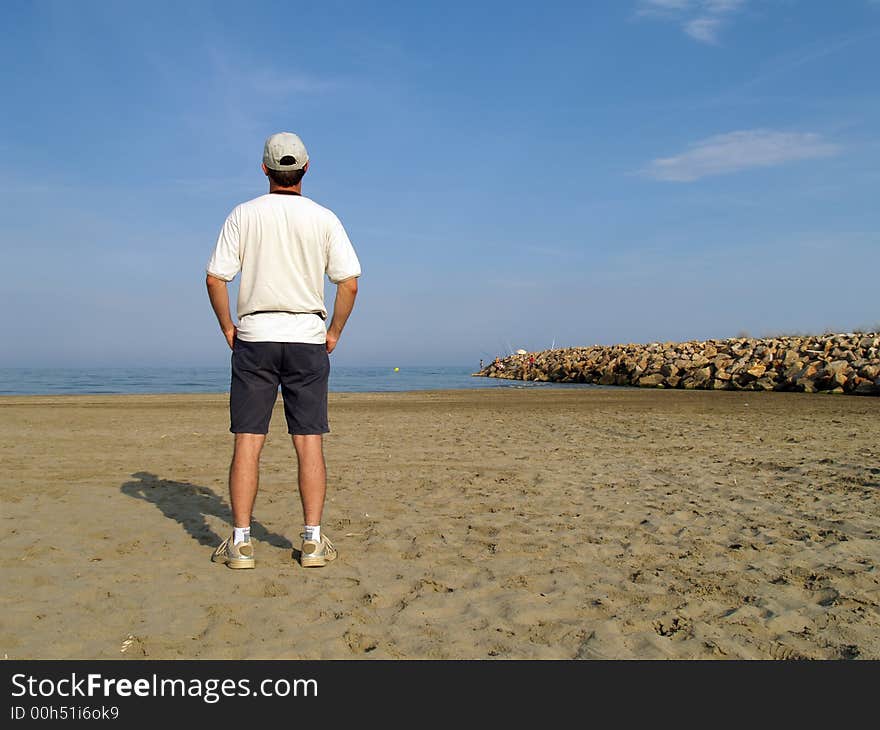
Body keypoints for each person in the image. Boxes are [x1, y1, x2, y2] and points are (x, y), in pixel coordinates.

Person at [205, 132, 361, 569]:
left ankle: (241, 542)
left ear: (264, 169)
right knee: (308, 442)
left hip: (254, 337)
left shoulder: (244, 214)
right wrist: (333, 333)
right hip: (307, 338)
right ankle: (312, 540)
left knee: (248, 442)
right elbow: (347, 282)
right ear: (306, 169)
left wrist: (227, 328)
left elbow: (216, 278)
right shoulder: (324, 218)